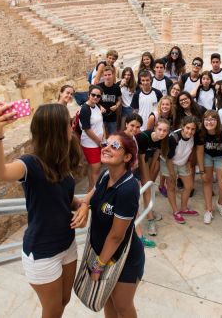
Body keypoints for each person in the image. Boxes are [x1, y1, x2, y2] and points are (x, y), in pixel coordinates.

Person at [0, 103, 86, 317]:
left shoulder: (61, 160)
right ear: (55, 130)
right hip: (42, 252)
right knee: (52, 311)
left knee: (64, 300)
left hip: (67, 244)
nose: (73, 127)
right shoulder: (31, 164)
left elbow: (66, 199)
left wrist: (82, 206)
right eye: (68, 124)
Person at [88, 132, 144, 318]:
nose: (106, 148)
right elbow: (92, 196)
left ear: (127, 157)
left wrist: (98, 266)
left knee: (123, 306)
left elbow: (116, 236)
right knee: (108, 301)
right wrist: (81, 209)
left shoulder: (128, 188)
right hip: (104, 254)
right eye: (106, 144)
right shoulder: (105, 175)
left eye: (115, 146)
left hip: (123, 258)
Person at [161, 116, 204, 223]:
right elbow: (168, 157)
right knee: (171, 187)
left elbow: (192, 149)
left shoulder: (194, 136)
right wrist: (172, 173)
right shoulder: (173, 138)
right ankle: (176, 211)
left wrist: (189, 161)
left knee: (189, 186)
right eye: (187, 128)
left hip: (182, 162)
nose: (190, 131)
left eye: (193, 129)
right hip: (169, 162)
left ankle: (183, 208)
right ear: (183, 127)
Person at [123, 114, 156, 249]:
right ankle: (137, 236)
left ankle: (137, 235)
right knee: (131, 206)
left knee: (133, 205)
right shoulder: (120, 138)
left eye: (137, 127)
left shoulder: (134, 138)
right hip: (124, 176)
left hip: (132, 175)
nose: (135, 129)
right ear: (126, 124)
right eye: (132, 125)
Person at [136, 118, 171, 236]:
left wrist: (150, 176)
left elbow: (156, 154)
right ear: (155, 128)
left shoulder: (164, 140)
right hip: (136, 160)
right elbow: (141, 159)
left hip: (149, 157)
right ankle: (150, 220)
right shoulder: (144, 137)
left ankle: (148, 211)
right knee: (144, 187)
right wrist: (146, 178)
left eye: (165, 131)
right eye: (160, 129)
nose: (162, 133)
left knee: (149, 185)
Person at [197, 110, 222, 224]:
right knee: (207, 181)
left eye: (212, 119)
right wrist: (202, 171)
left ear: (217, 121)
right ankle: (209, 209)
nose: (209, 122)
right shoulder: (201, 132)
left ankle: (220, 203)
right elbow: (200, 152)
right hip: (207, 156)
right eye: (206, 119)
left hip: (221, 157)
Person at [80, 85, 105, 186]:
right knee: (96, 170)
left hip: (98, 143)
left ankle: (90, 191)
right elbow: (87, 129)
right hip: (90, 144)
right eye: (93, 95)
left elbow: (101, 124)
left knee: (92, 169)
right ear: (88, 95)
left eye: (98, 96)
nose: (95, 97)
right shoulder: (85, 109)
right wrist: (99, 142)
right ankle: (95, 194)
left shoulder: (97, 106)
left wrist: (104, 138)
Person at [99, 66, 123, 136]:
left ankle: (114, 147)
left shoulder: (116, 87)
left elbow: (119, 100)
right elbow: (93, 100)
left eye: (109, 74)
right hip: (101, 117)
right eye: (105, 75)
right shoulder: (99, 87)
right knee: (101, 136)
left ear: (113, 75)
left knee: (113, 137)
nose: (107, 77)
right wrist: (100, 107)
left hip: (112, 117)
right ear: (103, 76)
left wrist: (116, 106)